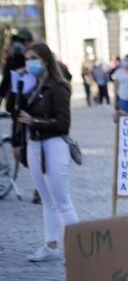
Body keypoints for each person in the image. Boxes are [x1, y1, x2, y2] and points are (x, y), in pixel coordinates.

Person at [16, 42, 79, 262]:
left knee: (62, 200)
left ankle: (77, 249)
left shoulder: (58, 86)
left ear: (44, 60)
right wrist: (19, 84)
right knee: (47, 199)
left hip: (54, 145)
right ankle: (51, 246)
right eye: (27, 59)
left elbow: (63, 123)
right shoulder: (33, 85)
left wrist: (34, 121)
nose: (29, 63)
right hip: (35, 145)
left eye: (33, 58)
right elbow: (16, 110)